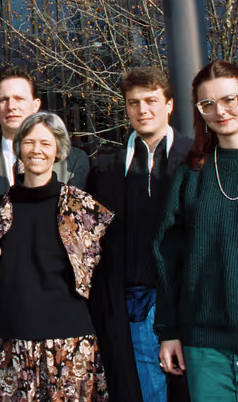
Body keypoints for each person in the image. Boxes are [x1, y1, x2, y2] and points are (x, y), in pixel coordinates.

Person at [154, 60, 238, 401]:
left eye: (229, 99)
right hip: (207, 347)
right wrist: (169, 332)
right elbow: (167, 257)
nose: (220, 111)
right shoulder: (191, 176)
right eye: (208, 104)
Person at [0, 112, 113, 400]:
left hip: (70, 345)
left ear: (58, 150)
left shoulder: (82, 208)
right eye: (30, 142)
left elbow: (102, 270)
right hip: (10, 344)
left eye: (46, 143)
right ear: (19, 147)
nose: (37, 150)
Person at [87, 67, 192, 402]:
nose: (142, 109)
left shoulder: (194, 158)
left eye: (151, 101)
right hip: (131, 301)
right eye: (134, 103)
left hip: (185, 301)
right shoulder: (106, 166)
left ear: (170, 105)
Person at [0, 66, 89, 191]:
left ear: (36, 105)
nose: (11, 106)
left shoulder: (72, 162)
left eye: (19, 99)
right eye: (3, 100)